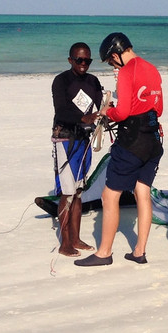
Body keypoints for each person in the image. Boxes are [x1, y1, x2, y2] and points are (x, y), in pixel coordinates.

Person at [76, 32, 163, 267]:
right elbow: (159, 108)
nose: (113, 66)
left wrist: (107, 112)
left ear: (116, 54)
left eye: (111, 61)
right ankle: (139, 251)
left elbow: (123, 113)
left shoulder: (127, 71)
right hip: (153, 141)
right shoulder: (152, 68)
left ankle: (104, 253)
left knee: (109, 195)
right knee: (142, 193)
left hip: (132, 141)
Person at [50, 42, 103, 256]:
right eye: (79, 60)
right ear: (70, 60)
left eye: (87, 60)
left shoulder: (93, 81)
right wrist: (83, 117)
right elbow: (61, 110)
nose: (83, 64)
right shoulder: (61, 81)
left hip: (85, 140)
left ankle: (76, 238)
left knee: (79, 192)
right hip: (65, 140)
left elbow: (99, 107)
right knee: (68, 192)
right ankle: (65, 243)